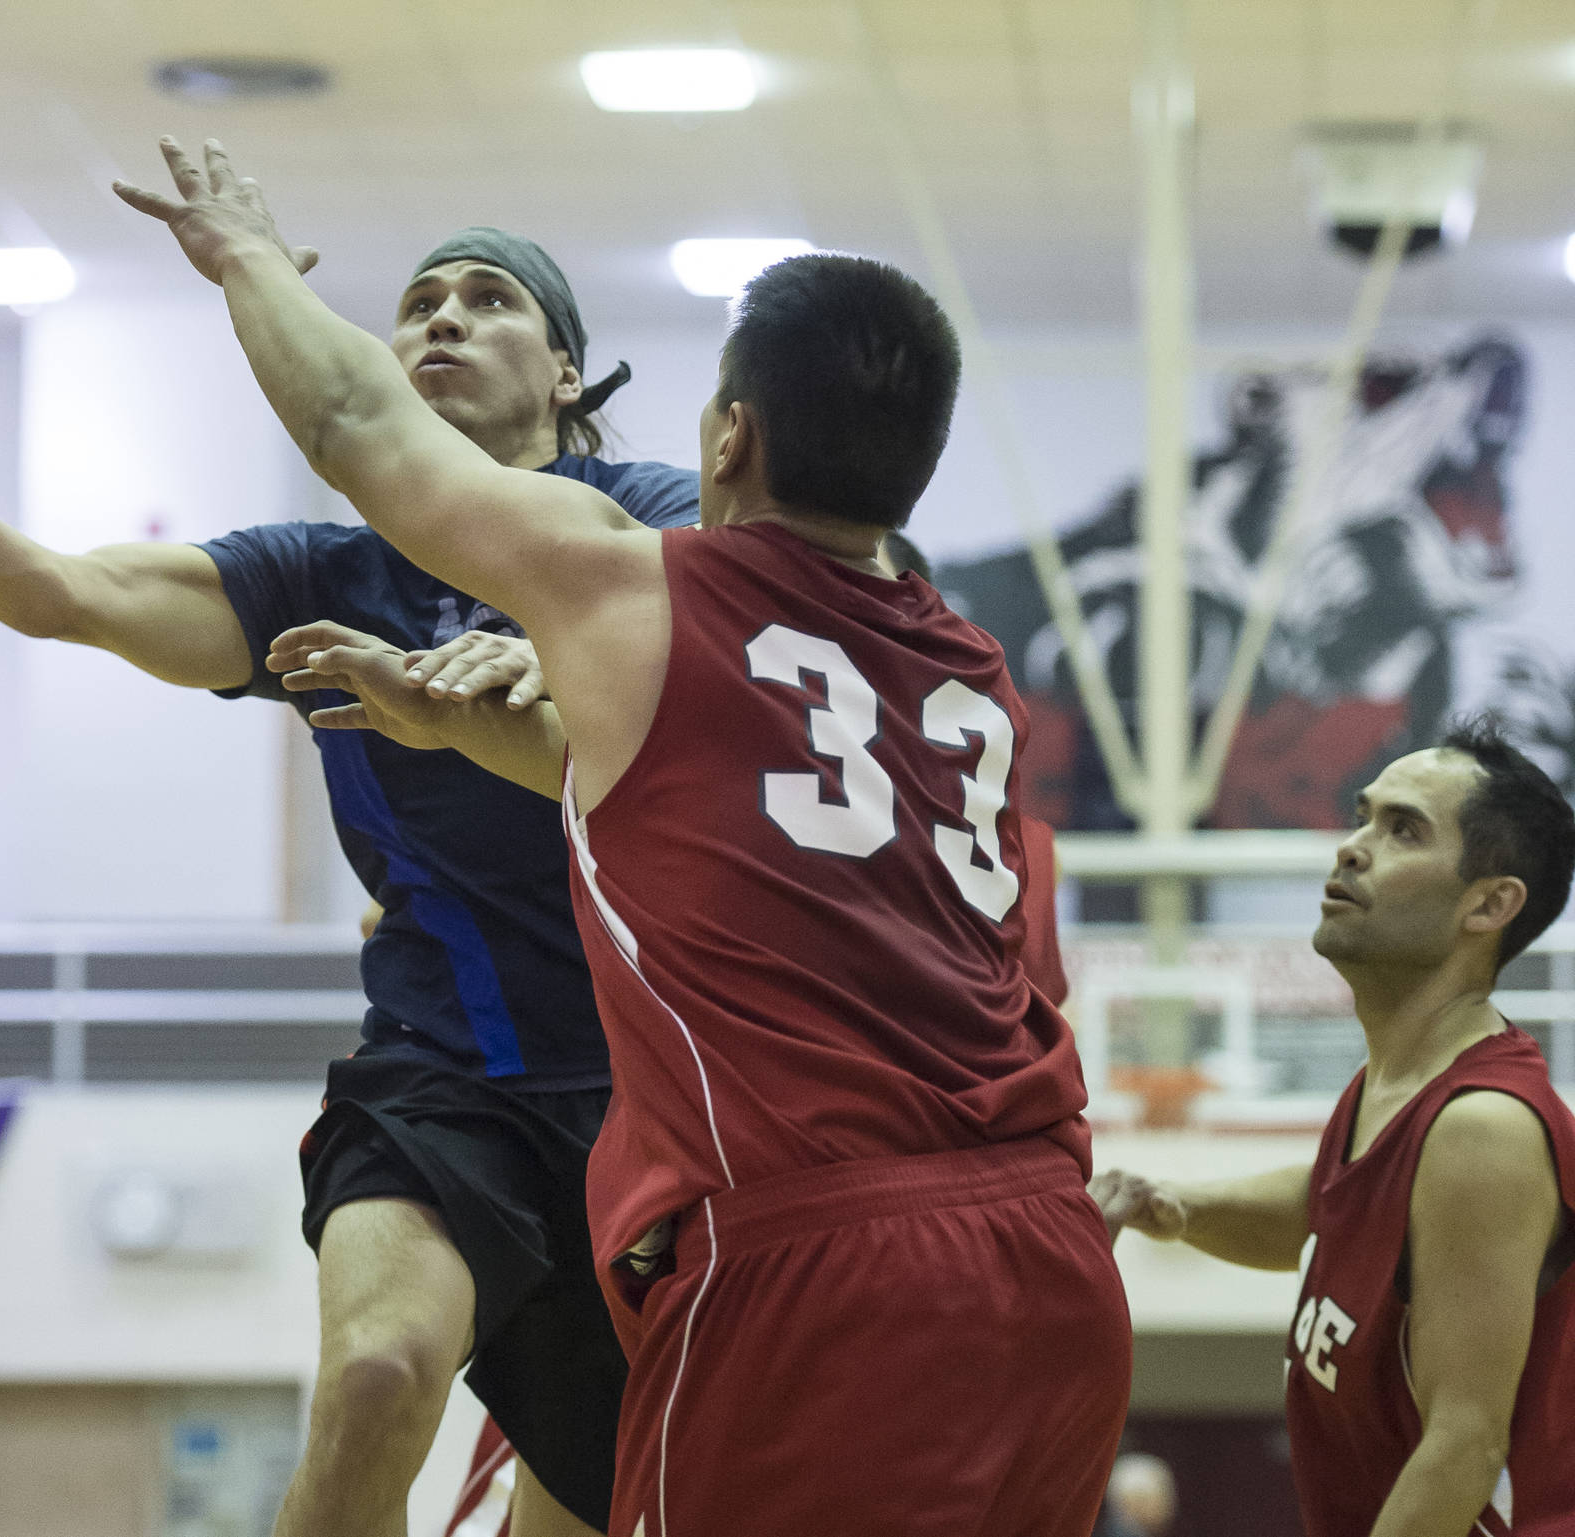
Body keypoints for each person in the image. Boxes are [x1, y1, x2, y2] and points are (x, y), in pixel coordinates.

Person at [118, 135, 1131, 1537]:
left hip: (817, 1242)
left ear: (727, 439)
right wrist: (451, 727)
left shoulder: (661, 592)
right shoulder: (968, 672)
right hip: (1051, 1249)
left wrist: (239, 254)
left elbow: (362, 428)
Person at [0, 226, 701, 1537]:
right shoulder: (324, 576)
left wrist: (562, 660)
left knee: (582, 1508)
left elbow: (687, 630)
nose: (443, 319)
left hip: (648, 1097)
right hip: (440, 1072)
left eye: (490, 302)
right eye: (418, 300)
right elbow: (53, 589)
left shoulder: (657, 518)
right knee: (377, 1373)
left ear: (569, 374)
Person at [1094, 721, 1575, 1537]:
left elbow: (1463, 1445)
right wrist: (1178, 1204)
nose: (1353, 847)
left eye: (1403, 830)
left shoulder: (1482, 1127)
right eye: (1364, 816)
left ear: (1489, 903)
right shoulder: (1391, 1089)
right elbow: (1335, 1207)